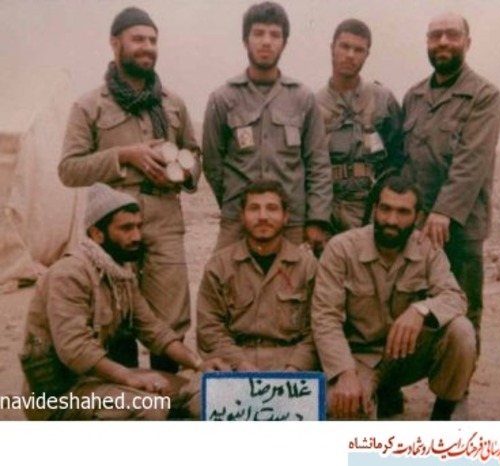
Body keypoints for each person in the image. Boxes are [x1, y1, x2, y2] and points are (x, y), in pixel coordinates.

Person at [58, 7, 200, 373]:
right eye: (138, 39)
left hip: (165, 220)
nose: (147, 47)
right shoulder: (90, 106)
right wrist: (125, 156)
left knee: (170, 320)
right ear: (115, 43)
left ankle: (166, 398)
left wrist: (182, 172)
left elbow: (194, 155)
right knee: (115, 317)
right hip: (112, 226)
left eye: (152, 40)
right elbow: (69, 169)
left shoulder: (173, 103)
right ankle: (124, 397)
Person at [20, 184, 227, 420]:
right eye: (126, 228)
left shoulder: (120, 273)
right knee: (149, 407)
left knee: (200, 392)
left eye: (139, 226)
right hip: (60, 394)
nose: (137, 236)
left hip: (102, 382)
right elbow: (76, 350)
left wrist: (199, 364)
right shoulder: (69, 274)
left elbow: (154, 330)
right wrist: (131, 378)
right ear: (96, 234)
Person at [311, 176, 476, 420]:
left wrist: (421, 310)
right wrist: (344, 373)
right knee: (341, 407)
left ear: (417, 217)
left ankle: (442, 417)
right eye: (385, 209)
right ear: (374, 210)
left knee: (461, 331)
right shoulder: (341, 248)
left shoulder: (427, 248)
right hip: (359, 357)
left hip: (406, 355)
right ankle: (379, 397)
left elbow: (455, 297)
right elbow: (325, 318)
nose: (391, 220)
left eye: (402, 212)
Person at [401, 13, 500, 355]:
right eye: (435, 36)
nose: (443, 42)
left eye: (452, 35)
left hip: (461, 227)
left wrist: (444, 211)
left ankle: (459, 381)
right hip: (416, 227)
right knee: (415, 307)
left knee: (462, 311)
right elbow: (405, 162)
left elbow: (472, 161)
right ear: (427, 43)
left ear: (467, 43)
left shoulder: (484, 96)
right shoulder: (414, 97)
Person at [202, 1, 333, 254]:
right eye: (258, 33)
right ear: (245, 40)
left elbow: (317, 162)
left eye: (275, 35)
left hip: (290, 221)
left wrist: (316, 219)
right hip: (238, 220)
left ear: (284, 42)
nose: (266, 42)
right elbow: (212, 163)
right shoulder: (223, 98)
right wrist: (236, 202)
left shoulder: (302, 98)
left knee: (295, 278)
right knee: (222, 275)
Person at [197, 179, 318, 372]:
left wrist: (295, 368)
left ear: (285, 216)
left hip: (291, 365)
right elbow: (209, 328)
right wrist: (239, 364)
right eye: (254, 208)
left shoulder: (308, 267)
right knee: (194, 390)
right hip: (233, 365)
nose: (263, 216)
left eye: (272, 208)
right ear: (242, 216)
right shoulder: (219, 266)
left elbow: (318, 328)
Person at [316, 19, 403, 233]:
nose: (350, 55)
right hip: (327, 206)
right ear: (332, 48)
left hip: (371, 206)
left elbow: (399, 155)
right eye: (344, 46)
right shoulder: (313, 105)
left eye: (358, 50)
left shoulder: (382, 99)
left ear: (367, 54)